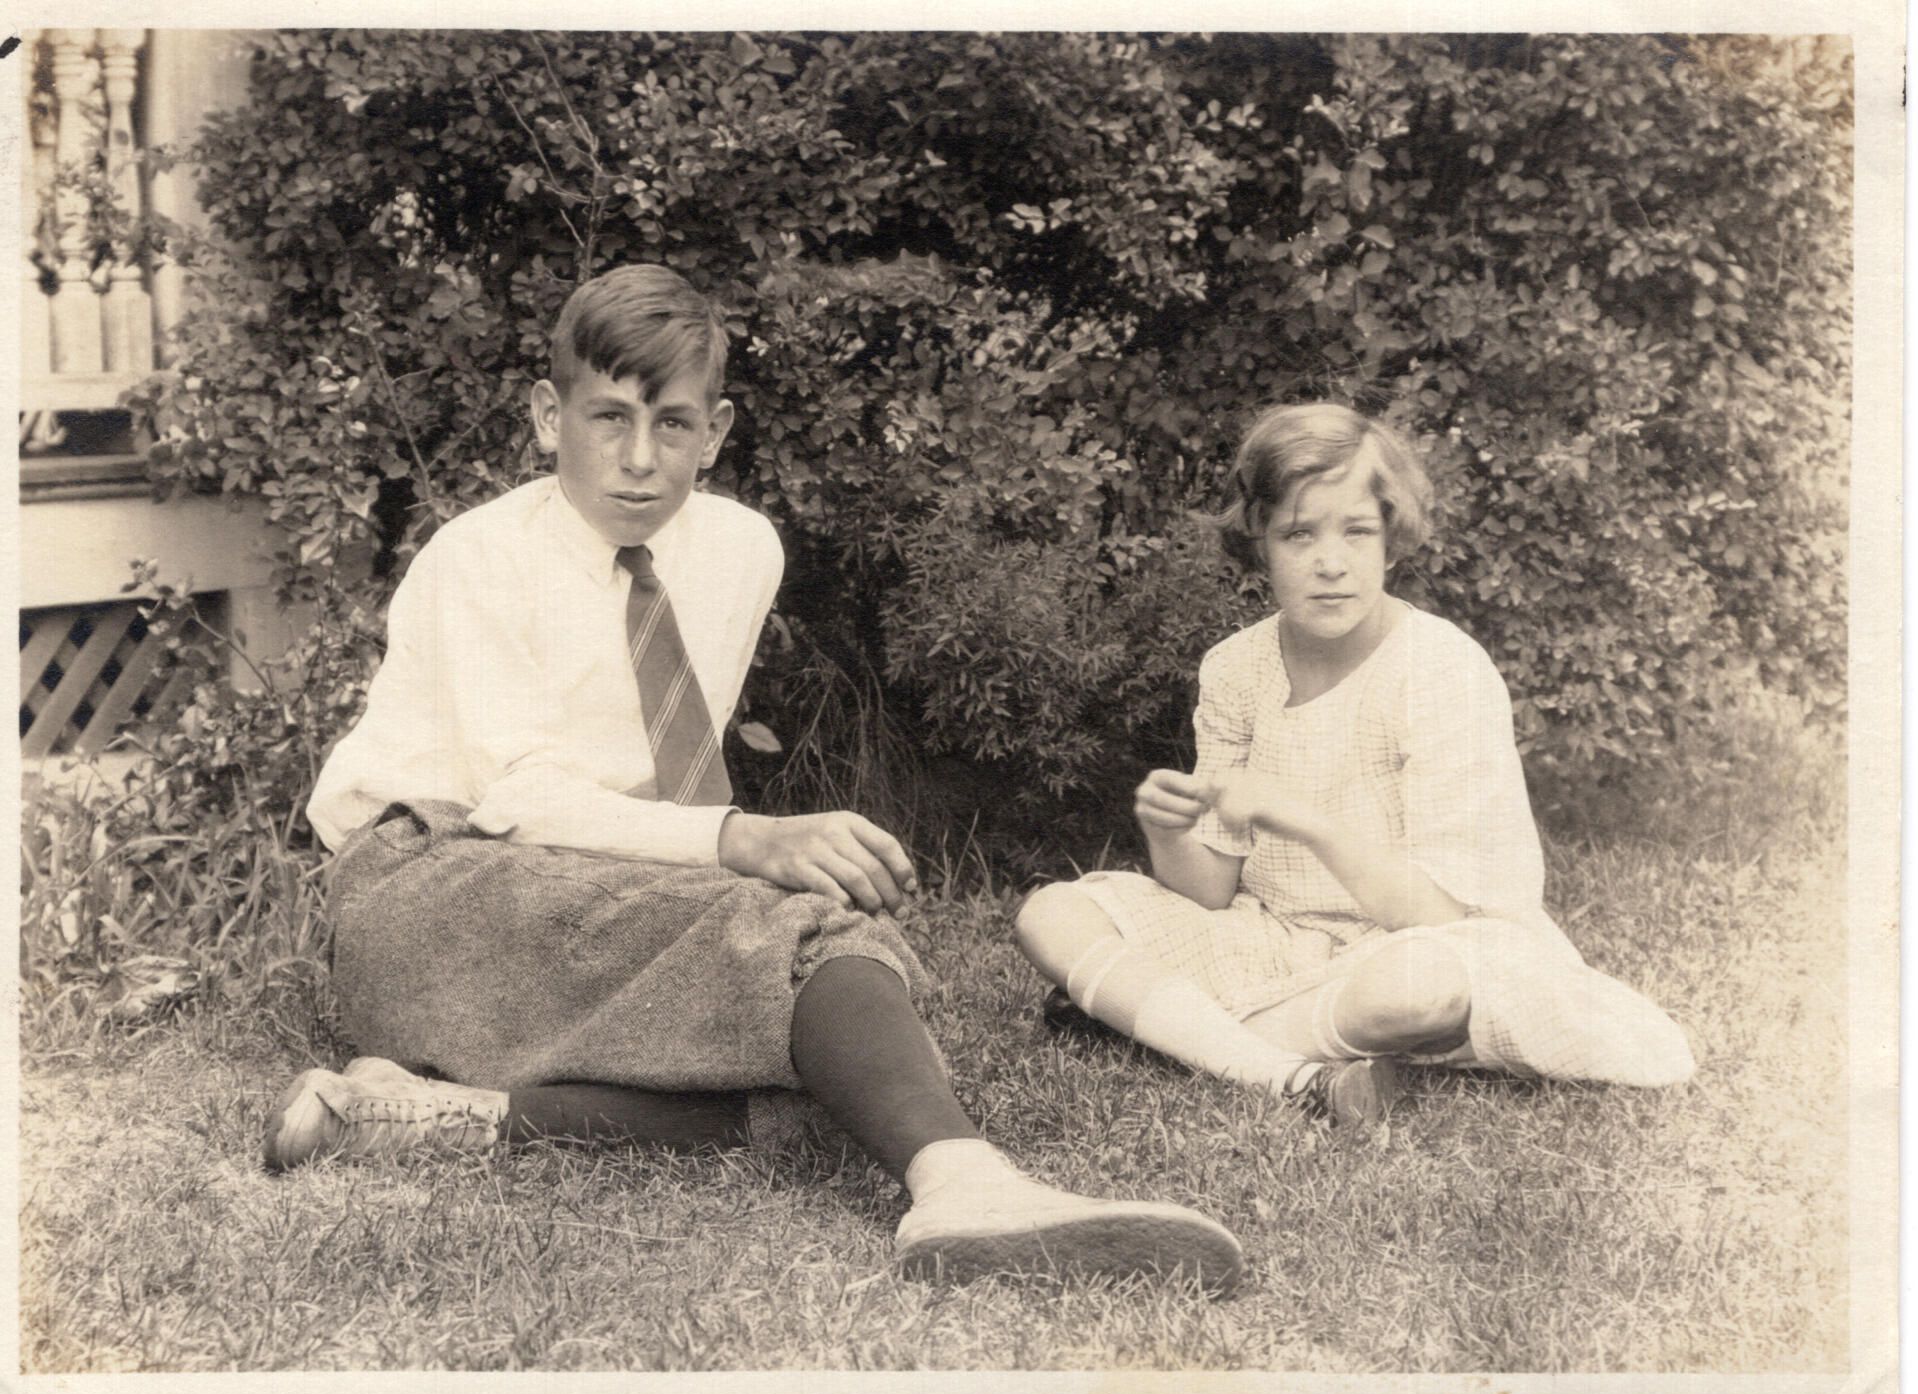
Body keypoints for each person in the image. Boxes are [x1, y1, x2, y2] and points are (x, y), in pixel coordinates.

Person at [271, 264, 1243, 1294]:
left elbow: (645, 793)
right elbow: (519, 799)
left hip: (584, 884)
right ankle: (966, 1182)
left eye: (673, 425)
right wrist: (743, 843)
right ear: (548, 417)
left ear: (717, 431)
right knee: (801, 956)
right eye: (608, 418)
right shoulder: (479, 557)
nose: (639, 459)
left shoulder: (740, 549)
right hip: (425, 888)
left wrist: (717, 872)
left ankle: (426, 1115)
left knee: (848, 1067)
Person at [1015, 403, 1696, 1126]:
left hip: (1421, 943)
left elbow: (1439, 913)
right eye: (1299, 533)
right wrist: (1169, 831)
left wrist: (1304, 820)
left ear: (1392, 542)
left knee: (1414, 991)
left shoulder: (1440, 667)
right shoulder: (1236, 668)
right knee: (1051, 914)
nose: (1330, 562)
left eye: (1357, 531)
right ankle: (1276, 1069)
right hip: (1274, 938)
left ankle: (1168, 1031)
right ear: (1260, 542)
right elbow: (1208, 894)